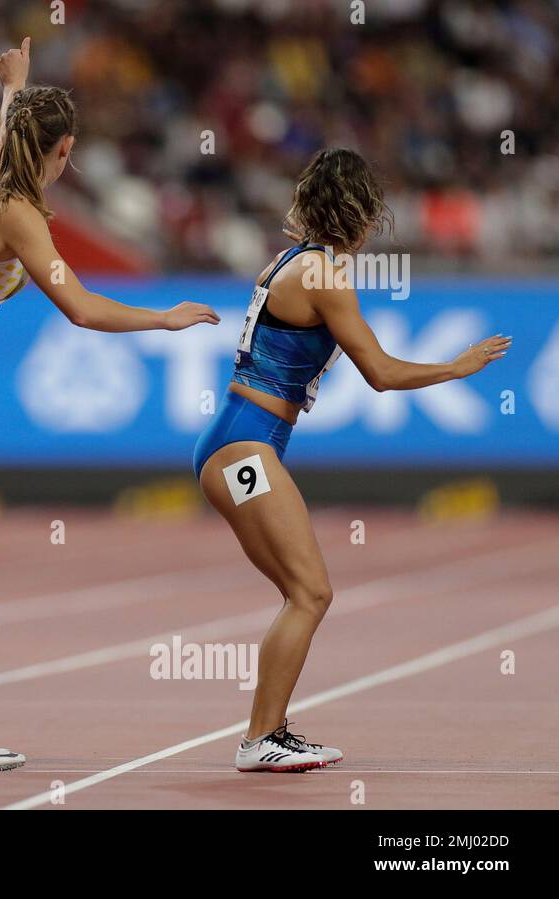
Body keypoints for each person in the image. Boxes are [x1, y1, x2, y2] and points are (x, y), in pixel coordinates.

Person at [0, 38, 219, 771]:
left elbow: (6, 129)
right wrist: (162, 319)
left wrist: (15, 85)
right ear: (62, 148)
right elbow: (82, 308)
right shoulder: (16, 210)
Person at [193, 147, 511, 772]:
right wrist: (459, 364)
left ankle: (270, 732)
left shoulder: (293, 261)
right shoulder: (322, 275)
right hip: (245, 448)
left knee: (300, 592)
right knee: (311, 593)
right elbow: (383, 374)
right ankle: (260, 740)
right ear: (359, 212)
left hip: (239, 441)